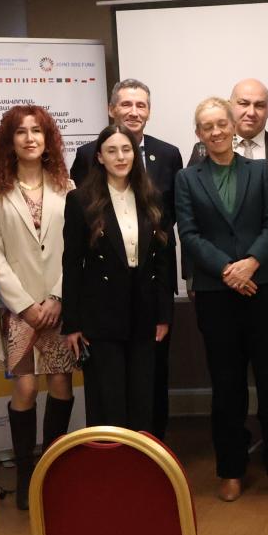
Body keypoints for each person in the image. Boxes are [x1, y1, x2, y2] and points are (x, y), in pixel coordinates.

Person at [176, 97, 268, 501]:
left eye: (221, 123)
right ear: (198, 134)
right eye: (207, 126)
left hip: (262, 287)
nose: (215, 131)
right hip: (216, 294)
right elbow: (189, 234)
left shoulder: (261, 171)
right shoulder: (187, 178)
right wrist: (228, 270)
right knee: (227, 385)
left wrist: (250, 264)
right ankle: (230, 469)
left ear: (232, 126)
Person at [70, 79, 183, 437]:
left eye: (126, 151)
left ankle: (146, 461)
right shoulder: (81, 199)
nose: (120, 157)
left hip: (145, 307)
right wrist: (73, 323)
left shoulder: (151, 196)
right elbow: (72, 263)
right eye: (112, 151)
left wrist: (164, 312)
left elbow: (163, 255)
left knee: (144, 398)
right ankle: (110, 465)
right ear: (98, 156)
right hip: (101, 311)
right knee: (108, 400)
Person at [0, 105, 76, 509]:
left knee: (60, 385)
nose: (29, 138)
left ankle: (51, 473)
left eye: (36, 130)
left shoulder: (67, 187)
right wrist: (23, 304)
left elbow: (75, 248)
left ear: (47, 139)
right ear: (10, 142)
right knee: (24, 387)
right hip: (19, 309)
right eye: (20, 132)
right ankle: (25, 476)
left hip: (58, 305)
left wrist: (57, 296)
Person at [188, 78, 268, 179]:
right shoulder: (204, 149)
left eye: (259, 105)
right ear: (229, 106)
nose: (251, 113)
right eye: (244, 104)